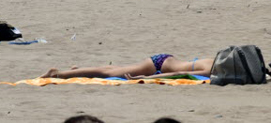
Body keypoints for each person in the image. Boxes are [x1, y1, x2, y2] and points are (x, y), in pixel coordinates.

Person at [41, 55, 215, 80]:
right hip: (157, 66)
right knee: (108, 73)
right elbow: (179, 74)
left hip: (164, 60)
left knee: (116, 69)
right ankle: (58, 74)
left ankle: (77, 71)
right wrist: (148, 78)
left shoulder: (214, 60)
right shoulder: (210, 70)